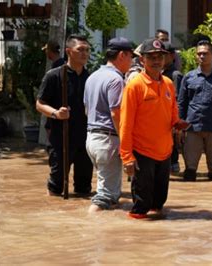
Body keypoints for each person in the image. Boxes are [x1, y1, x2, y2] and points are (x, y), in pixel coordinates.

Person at [119, 38, 189, 219]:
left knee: (159, 205)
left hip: (165, 152)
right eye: (151, 57)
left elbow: (173, 112)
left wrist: (178, 123)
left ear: (166, 59)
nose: (157, 61)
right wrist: (127, 157)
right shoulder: (134, 85)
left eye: (160, 57)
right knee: (141, 208)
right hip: (142, 153)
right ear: (142, 60)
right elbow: (125, 123)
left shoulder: (168, 83)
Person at [36, 34, 93, 196]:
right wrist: (55, 113)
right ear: (69, 51)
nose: (85, 53)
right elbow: (40, 104)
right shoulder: (54, 76)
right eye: (80, 50)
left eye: (87, 50)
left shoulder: (90, 78)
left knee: (84, 188)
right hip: (61, 138)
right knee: (56, 186)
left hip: (85, 139)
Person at [84, 37, 134, 212]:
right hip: (108, 139)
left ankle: (108, 231)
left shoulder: (92, 76)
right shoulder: (116, 80)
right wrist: (126, 140)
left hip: (92, 139)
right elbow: (116, 113)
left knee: (111, 195)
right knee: (104, 197)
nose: (132, 61)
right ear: (122, 55)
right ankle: (91, 226)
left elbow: (86, 109)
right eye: (131, 57)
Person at [177, 40, 212, 182]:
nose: (202, 56)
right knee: (190, 171)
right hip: (192, 128)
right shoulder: (188, 77)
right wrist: (179, 128)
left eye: (205, 53)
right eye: (199, 54)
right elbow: (182, 104)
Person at [163, 43, 183, 174]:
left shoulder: (175, 75)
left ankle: (173, 165)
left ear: (171, 56)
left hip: (171, 118)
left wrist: (177, 123)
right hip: (161, 117)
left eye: (163, 55)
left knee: (172, 145)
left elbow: (178, 100)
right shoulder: (160, 73)